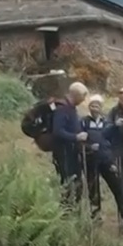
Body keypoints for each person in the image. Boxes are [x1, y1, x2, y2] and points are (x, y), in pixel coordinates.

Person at [81, 95, 123, 228]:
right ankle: (96, 219)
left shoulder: (107, 123)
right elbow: (80, 141)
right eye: (92, 105)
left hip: (107, 159)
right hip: (91, 159)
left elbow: (116, 141)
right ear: (89, 107)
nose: (94, 108)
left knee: (118, 188)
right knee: (93, 190)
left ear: (101, 108)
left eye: (97, 105)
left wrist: (113, 158)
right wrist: (89, 147)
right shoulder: (84, 122)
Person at [51, 82, 89, 212]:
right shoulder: (62, 108)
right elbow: (58, 131)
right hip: (64, 153)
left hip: (72, 152)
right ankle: (66, 213)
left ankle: (74, 211)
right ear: (76, 95)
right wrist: (76, 137)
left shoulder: (71, 108)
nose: (84, 100)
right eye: (83, 96)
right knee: (68, 183)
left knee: (77, 182)